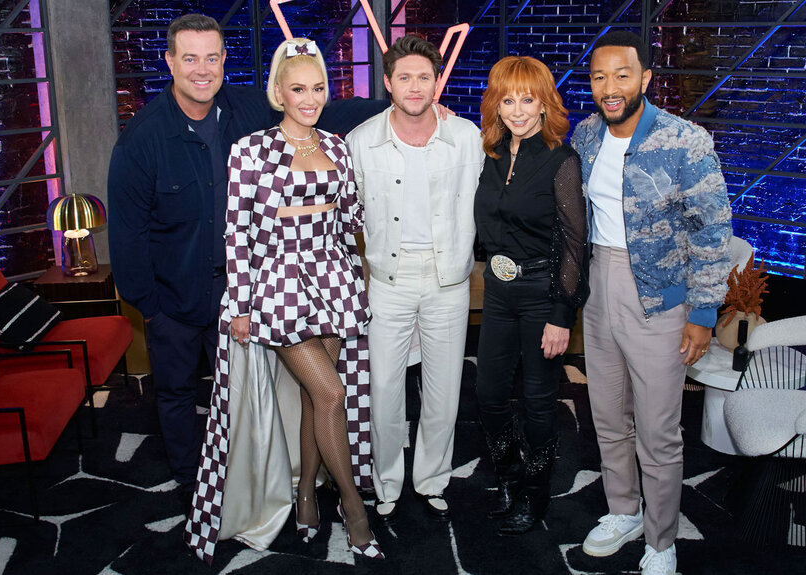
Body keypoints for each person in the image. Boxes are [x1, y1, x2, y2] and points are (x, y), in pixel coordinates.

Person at [107, 14, 385, 512]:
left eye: (211, 57)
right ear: (170, 61)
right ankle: (191, 487)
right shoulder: (141, 139)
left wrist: (403, 104)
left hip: (256, 286)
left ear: (223, 61)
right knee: (175, 393)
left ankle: (256, 486)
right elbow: (128, 235)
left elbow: (318, 106)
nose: (202, 69)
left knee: (242, 398)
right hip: (177, 293)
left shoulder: (241, 106)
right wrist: (149, 306)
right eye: (189, 58)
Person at [183, 38, 384, 563]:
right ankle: (353, 506)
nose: (310, 98)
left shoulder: (338, 146)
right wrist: (243, 305)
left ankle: (303, 500)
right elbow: (237, 232)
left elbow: (351, 221)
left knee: (319, 401)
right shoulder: (250, 150)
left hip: (333, 279)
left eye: (318, 88)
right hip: (278, 285)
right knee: (334, 394)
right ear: (279, 92)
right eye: (299, 89)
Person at [571, 31, 731, 575]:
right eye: (599, 77)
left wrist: (703, 313)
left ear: (645, 79)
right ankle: (624, 511)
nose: (609, 87)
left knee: (659, 428)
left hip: (661, 299)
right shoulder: (586, 135)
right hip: (599, 286)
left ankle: (661, 542)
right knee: (608, 415)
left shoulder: (686, 141)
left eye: (621, 75)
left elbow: (712, 234)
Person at [346, 35, 484, 525]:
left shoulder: (465, 135)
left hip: (449, 278)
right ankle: (385, 480)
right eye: (404, 76)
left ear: (436, 82)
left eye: (424, 76)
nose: (414, 85)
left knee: (444, 388)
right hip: (387, 277)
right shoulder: (361, 141)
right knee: (383, 387)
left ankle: (432, 479)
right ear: (387, 83)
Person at [473, 56, 589, 536]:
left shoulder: (561, 159)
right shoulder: (493, 154)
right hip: (497, 292)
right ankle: (508, 477)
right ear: (496, 105)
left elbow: (575, 244)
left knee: (540, 401)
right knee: (488, 393)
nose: (517, 110)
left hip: (543, 294)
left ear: (544, 103)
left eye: (527, 99)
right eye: (507, 99)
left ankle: (535, 496)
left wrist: (562, 315)